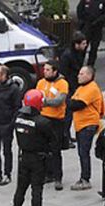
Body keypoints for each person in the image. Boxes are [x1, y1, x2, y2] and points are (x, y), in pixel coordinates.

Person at [11, 89, 58, 206]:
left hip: (23, 156)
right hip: (38, 158)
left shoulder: (18, 118)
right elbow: (53, 141)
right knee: (37, 189)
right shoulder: (43, 122)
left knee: (21, 187)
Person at [68, 66, 104, 191]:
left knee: (84, 152)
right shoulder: (81, 88)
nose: (78, 75)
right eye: (79, 73)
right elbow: (72, 102)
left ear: (89, 75)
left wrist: (69, 102)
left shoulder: (92, 88)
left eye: (82, 73)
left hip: (88, 124)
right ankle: (84, 177)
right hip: (80, 124)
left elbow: (76, 104)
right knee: (81, 152)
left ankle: (85, 179)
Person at [37, 60, 69, 190]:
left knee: (55, 150)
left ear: (55, 71)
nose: (45, 72)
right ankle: (47, 174)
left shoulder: (62, 83)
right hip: (43, 118)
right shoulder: (41, 82)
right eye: (44, 69)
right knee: (44, 149)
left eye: (48, 70)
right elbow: (36, 97)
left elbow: (59, 101)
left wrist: (44, 102)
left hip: (56, 121)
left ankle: (58, 177)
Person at [0, 65, 20, 186]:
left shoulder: (13, 89)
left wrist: (11, 123)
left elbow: (17, 107)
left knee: (7, 150)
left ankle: (7, 174)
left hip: (6, 125)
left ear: (3, 75)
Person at [60, 33, 88, 147]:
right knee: (67, 114)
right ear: (76, 44)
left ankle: (67, 135)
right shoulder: (67, 56)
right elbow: (64, 73)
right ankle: (64, 138)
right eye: (83, 43)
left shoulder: (79, 53)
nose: (85, 46)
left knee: (70, 115)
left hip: (75, 86)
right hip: (69, 87)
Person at [76, 0, 105, 67]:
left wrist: (98, 21)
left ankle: (90, 65)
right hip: (87, 27)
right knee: (83, 46)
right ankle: (79, 64)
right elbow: (79, 9)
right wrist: (83, 22)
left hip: (97, 28)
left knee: (94, 47)